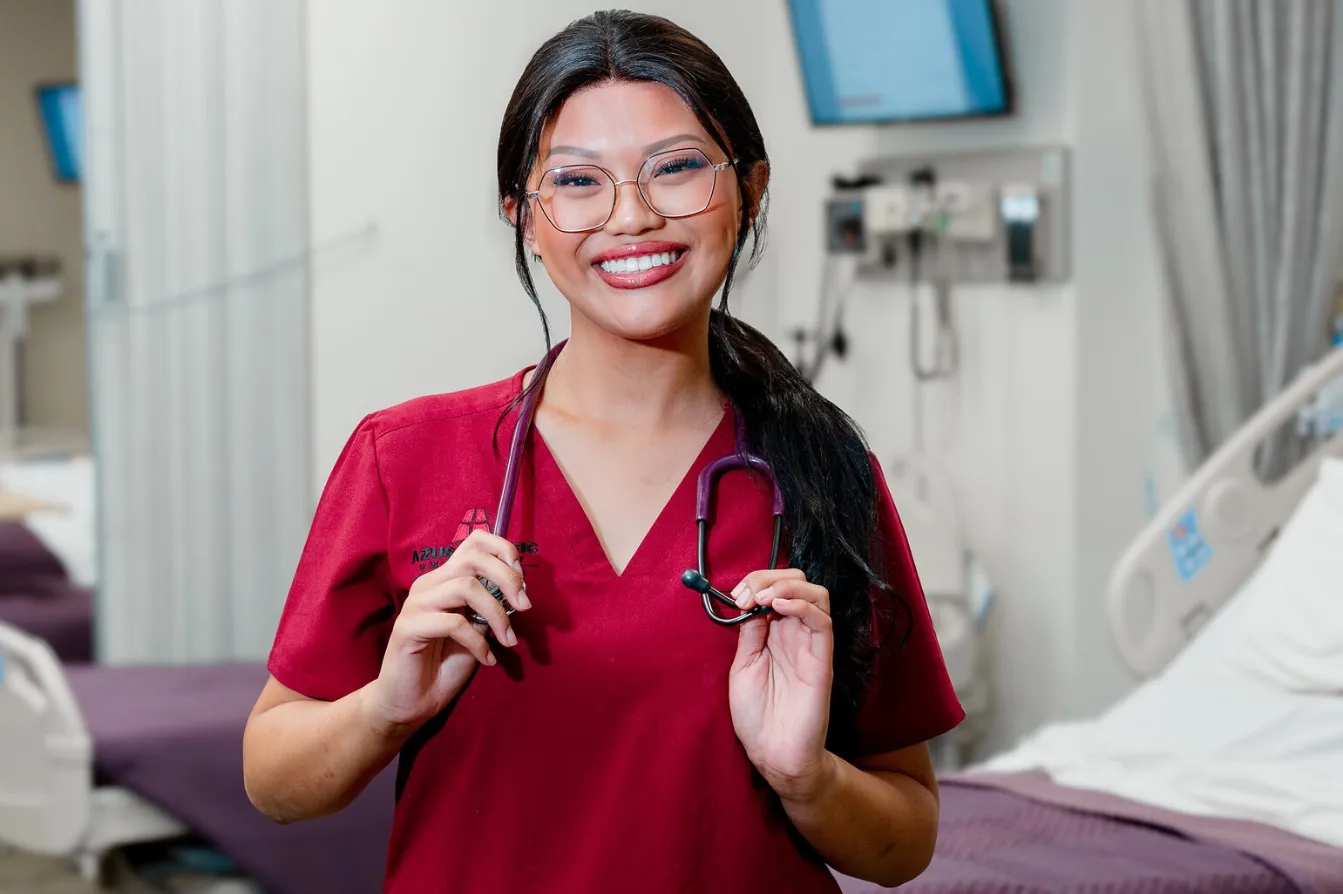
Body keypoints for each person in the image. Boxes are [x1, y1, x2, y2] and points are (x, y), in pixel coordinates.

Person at [242, 10, 963, 893]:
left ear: (751, 189)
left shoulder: (820, 473)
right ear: (524, 218)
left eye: (677, 168)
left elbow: (905, 839)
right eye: (578, 181)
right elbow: (272, 782)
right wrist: (383, 711)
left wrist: (803, 776)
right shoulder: (405, 457)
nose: (632, 216)